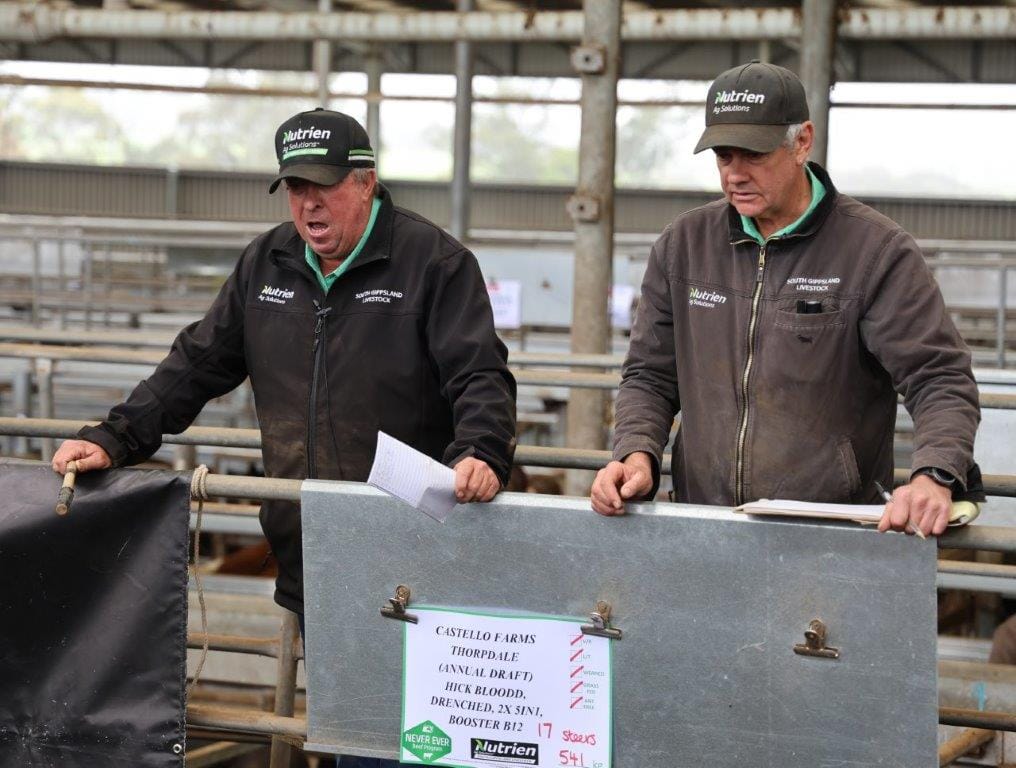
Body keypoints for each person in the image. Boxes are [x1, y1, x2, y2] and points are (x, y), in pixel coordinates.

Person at [52, 107, 517, 625]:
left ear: (366, 183)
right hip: (304, 539)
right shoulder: (268, 261)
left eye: (325, 185)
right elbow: (195, 363)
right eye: (295, 187)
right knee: (323, 677)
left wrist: (481, 451)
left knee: (407, 674)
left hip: (414, 540)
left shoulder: (433, 262)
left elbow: (478, 373)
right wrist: (115, 437)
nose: (309, 203)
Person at [590, 61, 981, 537]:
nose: (735, 175)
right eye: (724, 156)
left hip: (830, 533)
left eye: (754, 155)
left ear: (801, 142)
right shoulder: (685, 245)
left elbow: (938, 376)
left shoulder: (874, 251)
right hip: (706, 524)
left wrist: (934, 475)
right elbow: (650, 375)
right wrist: (636, 452)